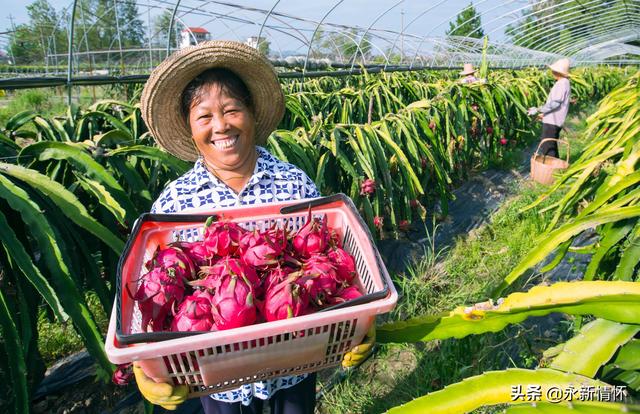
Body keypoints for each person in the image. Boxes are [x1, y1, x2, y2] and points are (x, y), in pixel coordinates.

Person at [132, 40, 374, 413]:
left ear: (251, 113)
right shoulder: (174, 203)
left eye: (232, 110)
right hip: (216, 379)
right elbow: (155, 275)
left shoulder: (293, 184)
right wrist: (143, 362)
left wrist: (359, 316)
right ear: (189, 127)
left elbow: (333, 248)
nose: (221, 126)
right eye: (204, 117)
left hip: (295, 363)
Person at [527, 58, 571, 158]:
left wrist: (537, 110)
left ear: (557, 71)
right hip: (553, 120)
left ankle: (552, 170)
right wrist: (544, 114)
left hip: (553, 122)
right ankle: (556, 169)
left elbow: (555, 103)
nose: (552, 72)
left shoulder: (562, 83)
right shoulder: (564, 82)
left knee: (547, 147)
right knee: (551, 146)